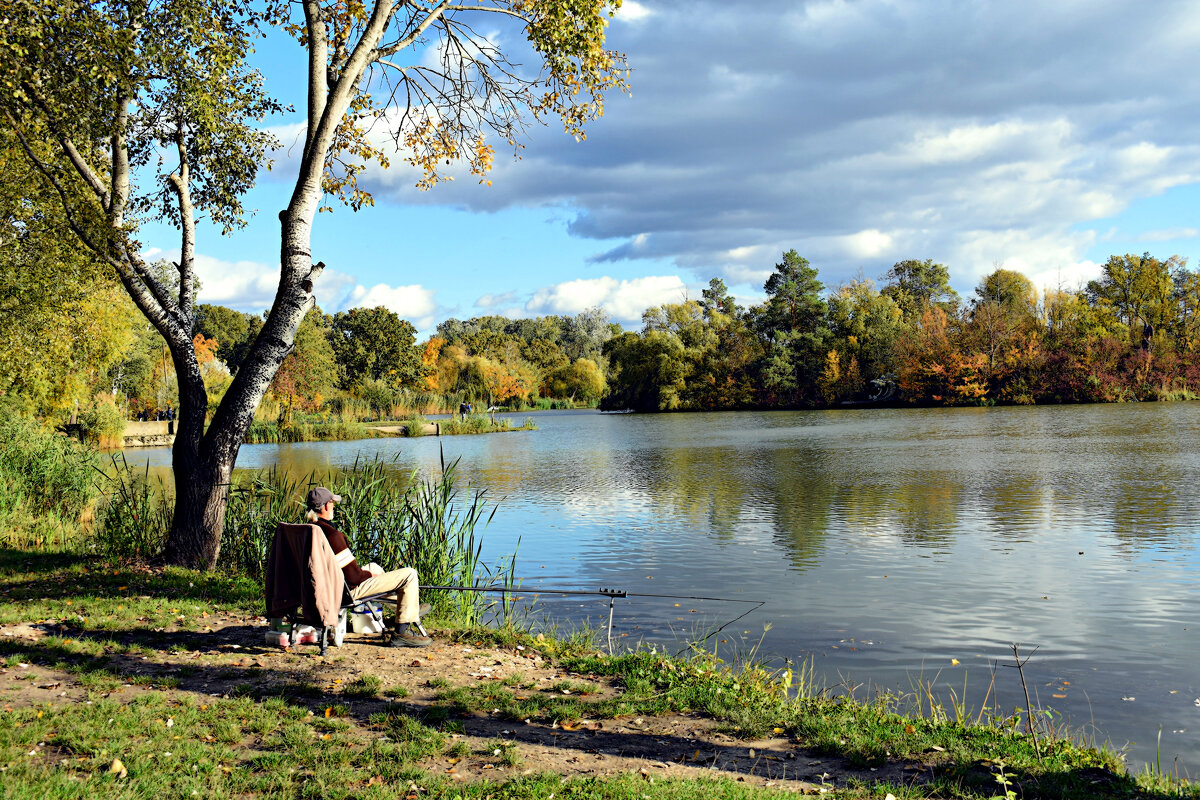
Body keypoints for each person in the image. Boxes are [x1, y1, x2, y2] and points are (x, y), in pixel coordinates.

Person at [305, 486, 432, 647]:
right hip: (345, 591)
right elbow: (354, 577)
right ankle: (402, 631)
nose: (334, 507)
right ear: (325, 507)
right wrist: (370, 576)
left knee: (374, 566)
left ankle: (407, 609)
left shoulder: (308, 531)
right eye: (332, 503)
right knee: (409, 574)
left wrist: (369, 572)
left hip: (323, 588)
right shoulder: (332, 536)